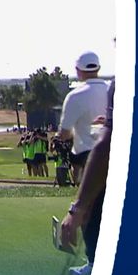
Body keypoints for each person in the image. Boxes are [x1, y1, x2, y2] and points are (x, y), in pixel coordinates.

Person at [60, 79, 115, 275]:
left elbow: (105, 148)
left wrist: (77, 208)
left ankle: (95, 262)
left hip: (96, 161)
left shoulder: (122, 83)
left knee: (92, 210)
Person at [57, 52, 108, 186]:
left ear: (79, 70)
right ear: (98, 68)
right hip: (111, 154)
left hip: (87, 159)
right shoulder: (111, 90)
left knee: (89, 203)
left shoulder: (74, 96)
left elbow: (64, 134)